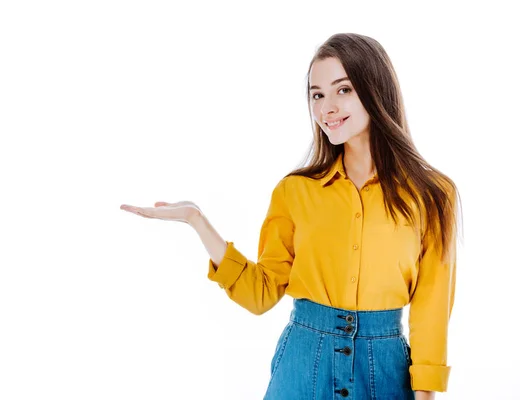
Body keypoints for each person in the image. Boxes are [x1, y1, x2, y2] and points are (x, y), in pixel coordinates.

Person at [120, 32, 460, 400]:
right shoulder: (295, 191)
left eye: (342, 90)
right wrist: (196, 220)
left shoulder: (433, 194)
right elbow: (261, 293)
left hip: (384, 371)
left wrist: (425, 393)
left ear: (375, 89)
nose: (326, 107)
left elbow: (431, 308)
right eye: (317, 94)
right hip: (303, 363)